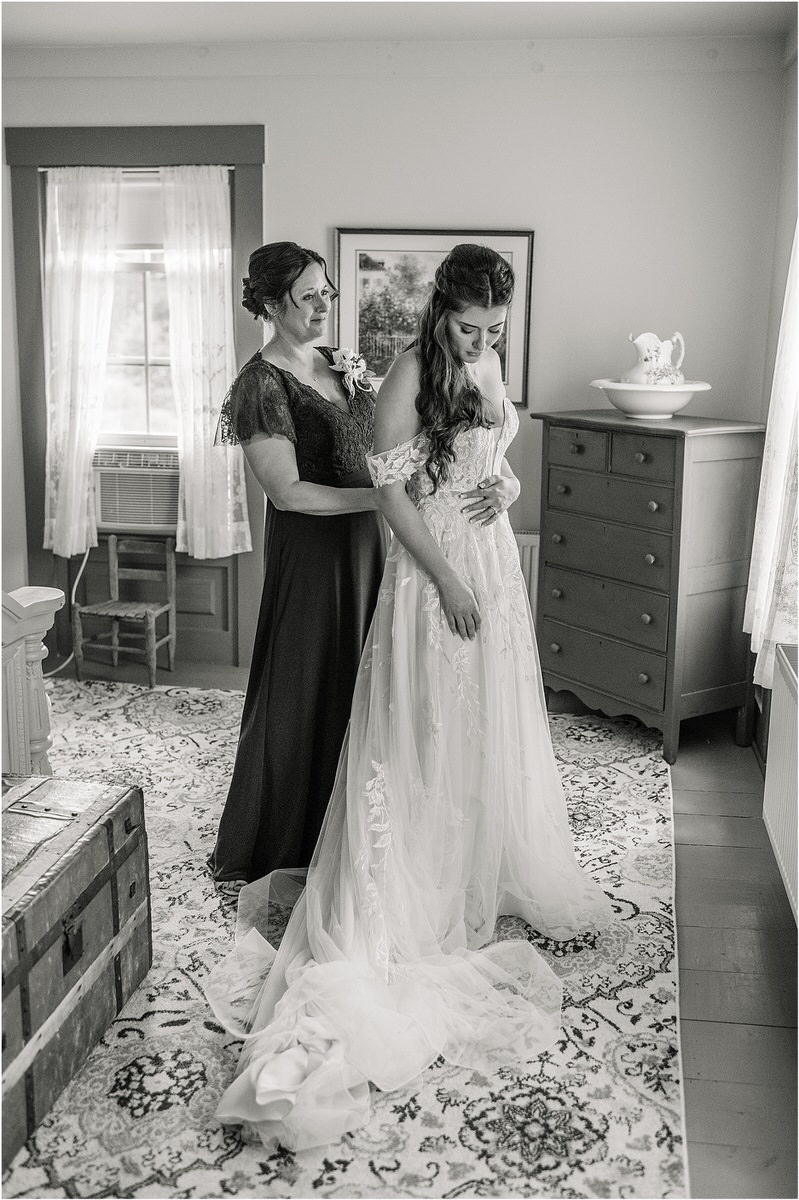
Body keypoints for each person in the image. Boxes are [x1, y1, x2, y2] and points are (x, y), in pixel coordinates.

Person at [206, 243, 614, 1150]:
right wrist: (446, 581)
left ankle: (474, 845)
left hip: (490, 561)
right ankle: (402, 864)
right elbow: (391, 497)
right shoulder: (402, 373)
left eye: (493, 330)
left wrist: (502, 482)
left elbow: (492, 454)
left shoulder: (482, 360)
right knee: (414, 719)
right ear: (440, 312)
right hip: (435, 572)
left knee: (484, 724)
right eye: (467, 327)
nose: (479, 341)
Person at [208, 242, 388, 896]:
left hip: (367, 543)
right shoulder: (260, 385)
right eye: (307, 296)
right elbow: (287, 492)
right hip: (313, 554)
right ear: (268, 303)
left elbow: (372, 445)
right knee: (306, 683)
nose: (323, 305)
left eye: (326, 292)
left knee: (361, 680)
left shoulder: (334, 363)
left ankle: (355, 824)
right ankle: (286, 834)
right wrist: (382, 498)